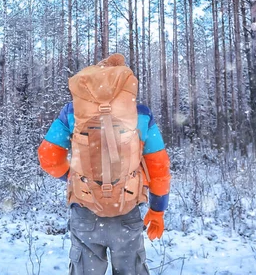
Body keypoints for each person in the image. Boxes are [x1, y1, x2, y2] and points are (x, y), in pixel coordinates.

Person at [38, 53, 171, 275]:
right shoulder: (142, 114)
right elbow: (159, 168)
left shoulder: (71, 112)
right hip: (126, 211)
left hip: (85, 211)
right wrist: (157, 211)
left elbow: (48, 156)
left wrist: (72, 177)